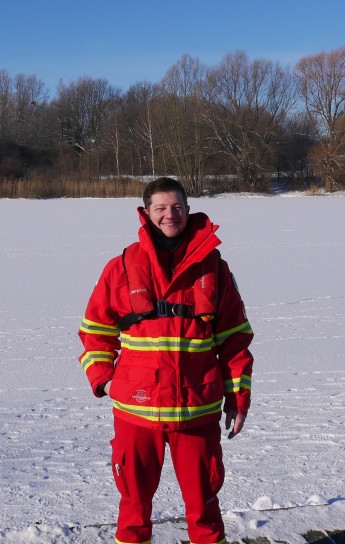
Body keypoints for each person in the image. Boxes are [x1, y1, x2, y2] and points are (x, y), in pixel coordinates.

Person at [78, 177, 254, 544]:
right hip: (136, 412)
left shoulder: (214, 269)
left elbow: (235, 341)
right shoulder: (122, 266)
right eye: (160, 208)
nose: (169, 215)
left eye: (176, 207)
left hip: (198, 410)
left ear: (188, 211)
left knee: (205, 508)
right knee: (133, 509)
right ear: (145, 213)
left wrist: (238, 398)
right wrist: (105, 379)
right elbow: (95, 331)